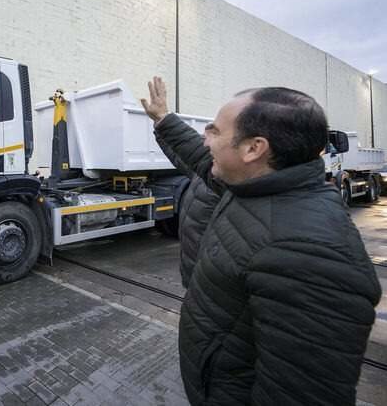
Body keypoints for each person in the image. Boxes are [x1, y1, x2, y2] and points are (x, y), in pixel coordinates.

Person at [141, 76, 381, 405]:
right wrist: (163, 119)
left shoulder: (310, 254)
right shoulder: (258, 185)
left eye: (215, 131)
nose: (205, 138)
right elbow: (199, 157)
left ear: (254, 148)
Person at [154, 133, 220, 289]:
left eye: (215, 133)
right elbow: (180, 156)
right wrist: (160, 127)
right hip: (192, 269)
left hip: (210, 274)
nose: (204, 136)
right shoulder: (204, 172)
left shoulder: (229, 179)